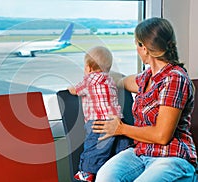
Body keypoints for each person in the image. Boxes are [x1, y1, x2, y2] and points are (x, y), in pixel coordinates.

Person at [93, 17, 197, 181]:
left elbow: (162, 135)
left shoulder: (175, 79)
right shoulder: (147, 77)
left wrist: (120, 128)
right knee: (104, 177)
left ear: (144, 48)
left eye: (137, 44)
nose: (136, 48)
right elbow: (122, 81)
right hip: (141, 151)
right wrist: (94, 77)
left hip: (170, 156)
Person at [68, 46, 131, 182]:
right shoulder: (110, 80)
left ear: (89, 68)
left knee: (94, 148)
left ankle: (86, 172)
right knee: (119, 147)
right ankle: (120, 168)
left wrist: (70, 88)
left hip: (98, 122)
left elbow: (76, 91)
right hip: (117, 120)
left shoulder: (89, 80)